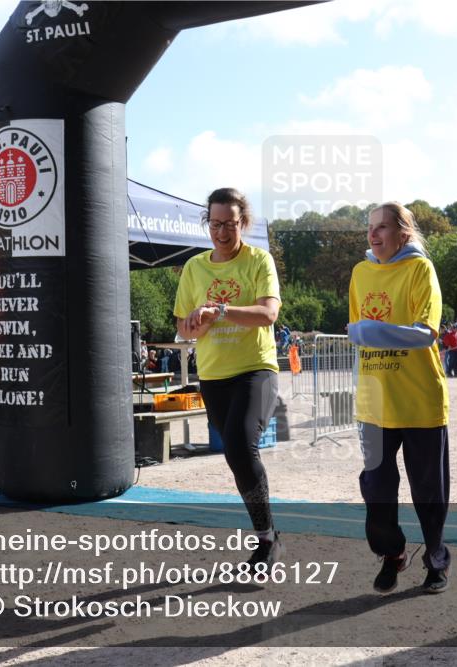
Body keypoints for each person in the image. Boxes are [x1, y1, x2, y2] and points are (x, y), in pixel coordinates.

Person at [174, 187, 283, 571]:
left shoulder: (259, 261)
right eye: (215, 224)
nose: (222, 232)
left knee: (239, 444)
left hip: (256, 369)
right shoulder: (194, 268)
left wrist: (219, 309)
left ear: (243, 223)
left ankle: (267, 541)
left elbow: (268, 314)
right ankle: (267, 532)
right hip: (214, 375)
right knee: (235, 456)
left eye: (230, 224)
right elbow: (185, 329)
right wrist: (192, 324)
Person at [347, 202, 450, 594]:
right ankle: (392, 554)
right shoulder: (360, 273)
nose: (373, 235)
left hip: (420, 401)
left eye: (382, 227)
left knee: (429, 492)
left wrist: (369, 332)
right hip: (375, 406)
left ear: (403, 233)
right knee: (376, 490)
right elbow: (359, 334)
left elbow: (425, 332)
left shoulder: (421, 269)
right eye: (370, 228)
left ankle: (436, 559)